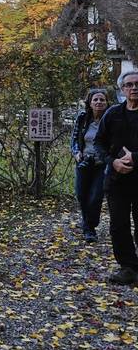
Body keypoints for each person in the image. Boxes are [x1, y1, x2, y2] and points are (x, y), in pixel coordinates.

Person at [94, 71, 138, 285]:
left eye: (137, 84)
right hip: (116, 181)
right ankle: (128, 267)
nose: (134, 88)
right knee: (118, 225)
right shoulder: (112, 114)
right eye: (129, 85)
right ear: (122, 89)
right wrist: (113, 162)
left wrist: (135, 158)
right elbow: (99, 143)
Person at [71, 88, 109, 242]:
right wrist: (76, 152)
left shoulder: (111, 118)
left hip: (102, 164)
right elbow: (74, 138)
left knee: (95, 197)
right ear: (90, 103)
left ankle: (90, 228)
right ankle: (87, 223)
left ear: (107, 102)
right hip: (84, 162)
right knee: (81, 195)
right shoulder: (83, 117)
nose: (99, 102)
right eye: (95, 100)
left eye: (102, 100)